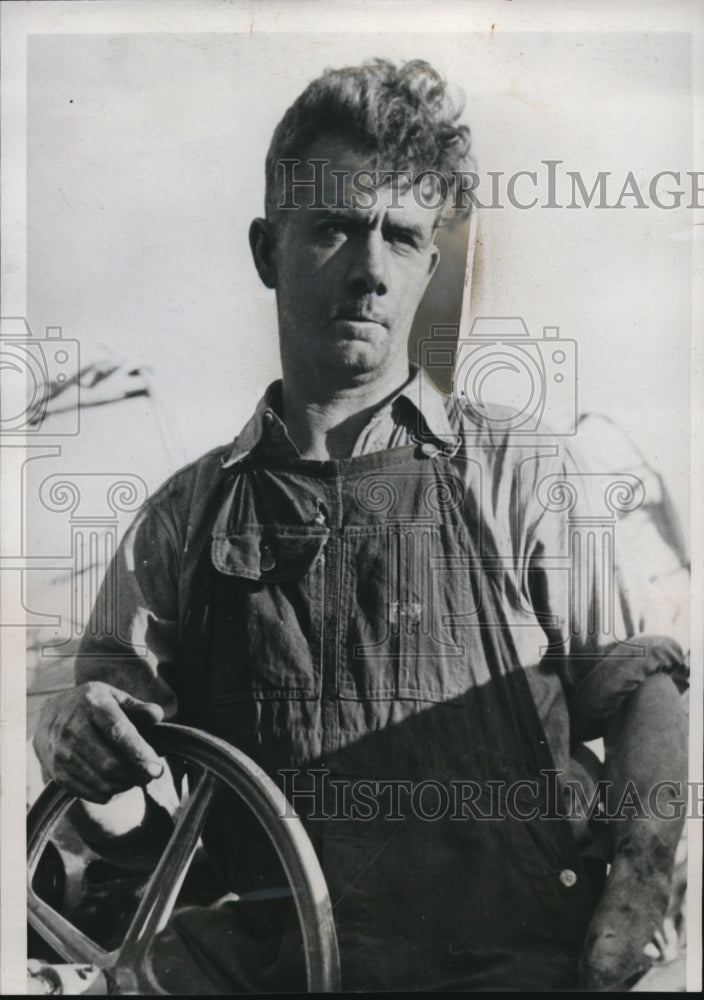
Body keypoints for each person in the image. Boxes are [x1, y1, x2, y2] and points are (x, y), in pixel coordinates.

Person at [33, 59, 688, 992]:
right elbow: (122, 821)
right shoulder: (179, 524)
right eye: (334, 227)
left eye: (402, 236)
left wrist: (642, 881)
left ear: (430, 264)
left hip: (516, 967)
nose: (370, 271)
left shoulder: (524, 477)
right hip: (277, 971)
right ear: (267, 249)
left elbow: (639, 688)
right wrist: (75, 739)